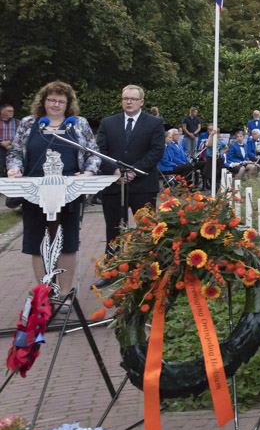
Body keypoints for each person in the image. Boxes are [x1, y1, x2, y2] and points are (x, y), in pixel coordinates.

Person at [6, 82, 100, 298]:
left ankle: (65, 293)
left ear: (68, 104)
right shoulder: (30, 123)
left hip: (69, 190)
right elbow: (15, 153)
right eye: (52, 100)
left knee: (66, 241)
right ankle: (45, 292)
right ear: (43, 101)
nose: (56, 105)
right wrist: (14, 169)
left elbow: (93, 153)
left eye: (61, 101)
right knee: (37, 240)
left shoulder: (77, 124)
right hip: (35, 191)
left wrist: (89, 173)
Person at [95, 85, 164, 287]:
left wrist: (134, 170)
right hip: (114, 184)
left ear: (141, 101)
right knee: (114, 228)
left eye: (133, 99)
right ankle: (112, 270)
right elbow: (100, 150)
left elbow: (157, 149)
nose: (129, 102)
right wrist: (115, 171)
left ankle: (147, 269)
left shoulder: (154, 123)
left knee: (147, 228)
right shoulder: (108, 123)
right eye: (125, 98)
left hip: (142, 184)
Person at [0, 103, 16, 177]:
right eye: (9, 111)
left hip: (12, 147)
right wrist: (1, 142)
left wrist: (9, 142)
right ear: (2, 112)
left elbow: (20, 135)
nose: (11, 112)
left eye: (12, 111)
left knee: (11, 168)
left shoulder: (17, 122)